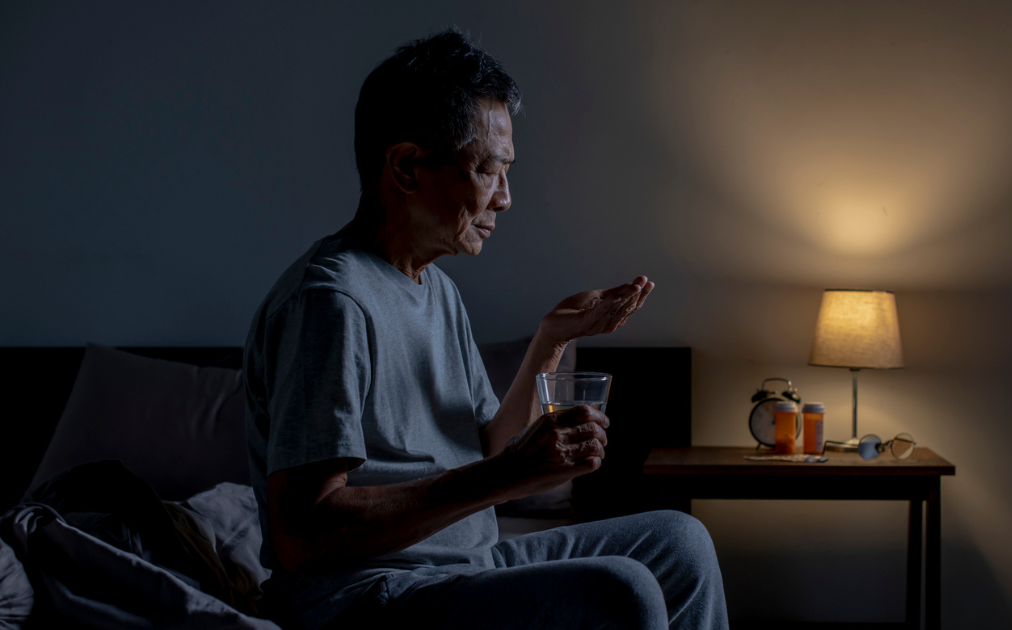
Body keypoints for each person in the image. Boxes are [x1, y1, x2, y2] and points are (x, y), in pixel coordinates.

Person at [243, 28, 728, 630]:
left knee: (679, 541)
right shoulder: (329, 303)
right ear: (407, 166)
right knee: (621, 590)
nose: (504, 197)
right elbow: (304, 536)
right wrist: (509, 474)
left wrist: (552, 339)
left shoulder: (436, 289)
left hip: (462, 565)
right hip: (364, 593)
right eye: (488, 171)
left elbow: (492, 450)